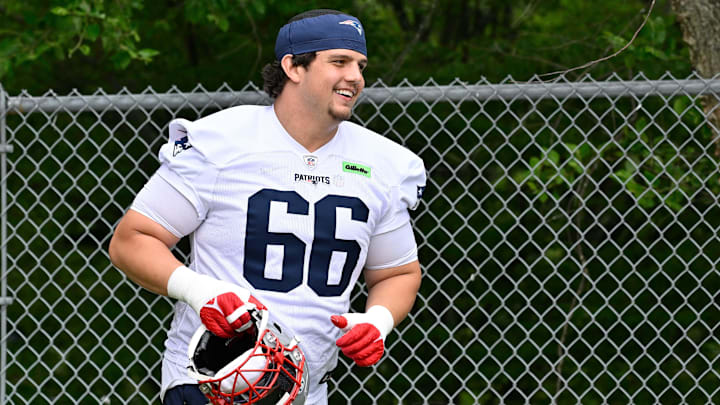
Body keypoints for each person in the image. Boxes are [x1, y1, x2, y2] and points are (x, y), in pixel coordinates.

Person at [108, 8, 426, 405]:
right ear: (293, 67)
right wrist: (199, 291)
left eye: (360, 65)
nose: (356, 77)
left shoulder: (382, 163)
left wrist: (378, 320)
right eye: (339, 62)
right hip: (210, 383)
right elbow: (131, 239)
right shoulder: (222, 142)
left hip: (307, 390)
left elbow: (398, 272)